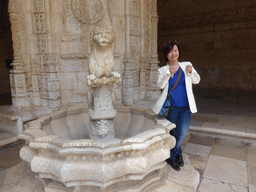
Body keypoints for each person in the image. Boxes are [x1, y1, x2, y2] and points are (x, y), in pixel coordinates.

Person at [153, 40, 200, 171]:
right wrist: (168, 74)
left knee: (182, 134)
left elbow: (197, 80)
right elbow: (160, 86)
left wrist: (191, 72)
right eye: (170, 51)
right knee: (173, 134)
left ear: (178, 52)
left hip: (186, 107)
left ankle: (173, 155)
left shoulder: (187, 65)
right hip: (173, 107)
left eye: (175, 50)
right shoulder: (162, 70)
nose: (173, 53)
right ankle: (177, 155)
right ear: (166, 55)